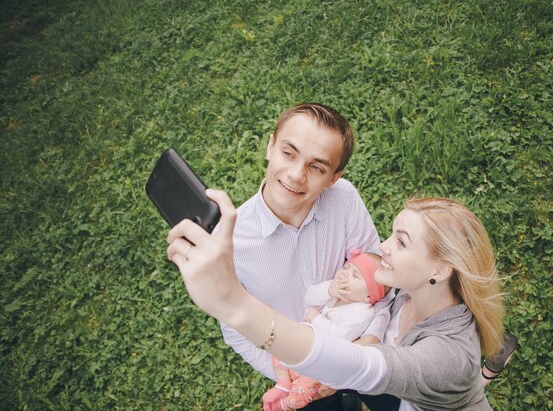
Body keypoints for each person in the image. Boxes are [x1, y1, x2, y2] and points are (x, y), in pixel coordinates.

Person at [167, 191, 505, 410]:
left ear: (441, 269)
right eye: (390, 235)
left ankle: (479, 380)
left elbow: (361, 365)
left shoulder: (448, 356)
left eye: (401, 243)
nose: (383, 247)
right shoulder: (405, 290)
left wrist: (232, 303)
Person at [217, 103, 394, 409]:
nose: (297, 174)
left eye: (316, 167)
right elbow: (237, 332)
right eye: (289, 153)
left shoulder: (344, 199)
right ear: (270, 146)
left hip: (362, 348)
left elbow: (381, 284)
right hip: (302, 375)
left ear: (334, 177)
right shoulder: (230, 242)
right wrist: (299, 372)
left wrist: (367, 347)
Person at [263, 250, 389, 411]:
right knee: (279, 346)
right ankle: (283, 384)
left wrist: (317, 319)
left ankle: (285, 404)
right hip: (305, 347)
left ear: (368, 296)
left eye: (355, 275)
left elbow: (341, 337)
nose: (344, 275)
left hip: (324, 364)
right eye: (346, 268)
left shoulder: (362, 311)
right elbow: (310, 297)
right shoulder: (336, 293)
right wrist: (330, 289)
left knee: (307, 390)